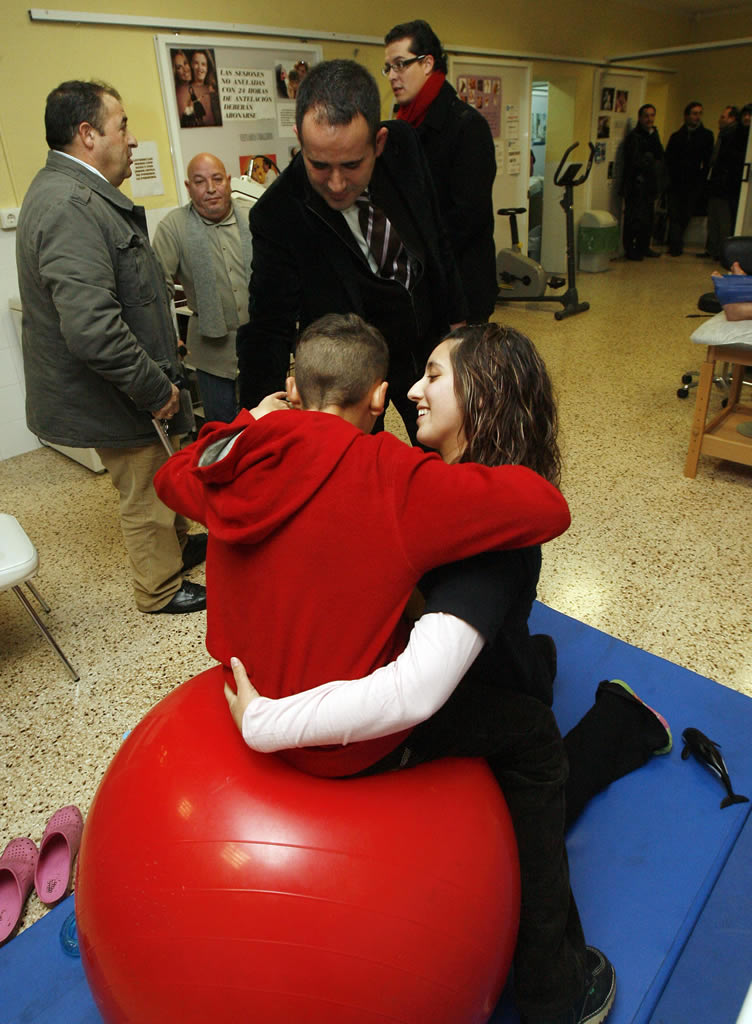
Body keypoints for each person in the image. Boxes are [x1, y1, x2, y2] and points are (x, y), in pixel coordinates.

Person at [223, 321, 672, 1021]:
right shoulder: (428, 484)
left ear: (486, 392)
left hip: (467, 683)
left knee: (531, 768)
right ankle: (600, 706)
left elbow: (420, 687)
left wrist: (267, 719)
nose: (410, 390)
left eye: (433, 376)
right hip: (480, 661)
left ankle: (554, 991)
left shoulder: (483, 541)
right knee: (527, 701)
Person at [16, 80, 206, 614]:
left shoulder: (73, 192)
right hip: (116, 393)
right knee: (145, 486)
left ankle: (177, 546)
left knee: (162, 470)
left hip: (125, 380)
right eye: (122, 125)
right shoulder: (71, 205)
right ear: (87, 134)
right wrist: (154, 390)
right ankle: (160, 589)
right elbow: (93, 329)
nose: (133, 138)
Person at [235, 59, 466, 441]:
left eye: (353, 164)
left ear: (379, 142)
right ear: (300, 140)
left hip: (425, 341)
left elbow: (436, 235)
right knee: (355, 470)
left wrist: (459, 325)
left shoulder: (404, 146)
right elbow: (267, 327)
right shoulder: (277, 214)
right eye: (319, 165)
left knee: (447, 454)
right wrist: (257, 419)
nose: (338, 184)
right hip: (351, 367)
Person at [383, 19, 497, 322]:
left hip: (460, 285)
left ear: (427, 63)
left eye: (400, 65)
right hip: (419, 283)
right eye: (388, 68)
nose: (392, 76)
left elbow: (468, 215)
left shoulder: (467, 126)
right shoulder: (400, 128)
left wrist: (414, 252)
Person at [152, 153, 252, 423]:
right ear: (188, 187)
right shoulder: (174, 227)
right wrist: (168, 337)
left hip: (259, 344)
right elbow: (156, 290)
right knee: (220, 429)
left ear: (229, 181)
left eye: (217, 179)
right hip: (212, 353)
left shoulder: (253, 217)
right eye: (200, 181)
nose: (210, 188)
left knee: (266, 426)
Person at [665, 102, 713, 257]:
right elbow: (669, 160)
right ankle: (675, 246)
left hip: (693, 184)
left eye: (699, 113)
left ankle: (676, 243)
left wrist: (702, 182)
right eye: (694, 113)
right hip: (676, 183)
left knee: (685, 215)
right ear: (686, 116)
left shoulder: (706, 136)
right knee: (674, 215)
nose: (697, 117)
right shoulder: (677, 136)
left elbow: (707, 162)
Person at [620, 103, 665, 260]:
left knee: (647, 220)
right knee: (634, 219)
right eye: (646, 116)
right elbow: (635, 162)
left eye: (652, 115)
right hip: (636, 186)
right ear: (640, 117)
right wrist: (649, 160)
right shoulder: (634, 137)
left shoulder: (654, 135)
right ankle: (630, 249)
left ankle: (643, 246)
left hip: (649, 186)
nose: (649, 119)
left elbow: (659, 156)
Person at [703, 106, 746, 261]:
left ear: (732, 118)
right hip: (716, 183)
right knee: (714, 219)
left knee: (723, 221)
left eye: (723, 117)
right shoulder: (723, 135)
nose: (720, 120)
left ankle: (722, 252)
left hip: (725, 186)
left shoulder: (735, 136)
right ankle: (713, 249)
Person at [176, 49, 222, 128]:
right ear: (191, 65)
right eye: (196, 63)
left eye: (203, 64)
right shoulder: (184, 90)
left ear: (207, 68)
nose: (200, 68)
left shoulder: (215, 91)